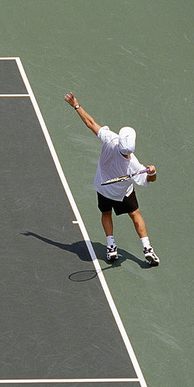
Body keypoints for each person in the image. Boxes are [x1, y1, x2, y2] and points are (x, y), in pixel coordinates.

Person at [64, 92, 160, 265]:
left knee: (106, 213)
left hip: (103, 189)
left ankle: (111, 247)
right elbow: (149, 180)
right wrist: (152, 172)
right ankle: (147, 248)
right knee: (135, 214)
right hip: (123, 193)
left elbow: (90, 123)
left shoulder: (110, 140)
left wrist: (76, 105)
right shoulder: (134, 165)